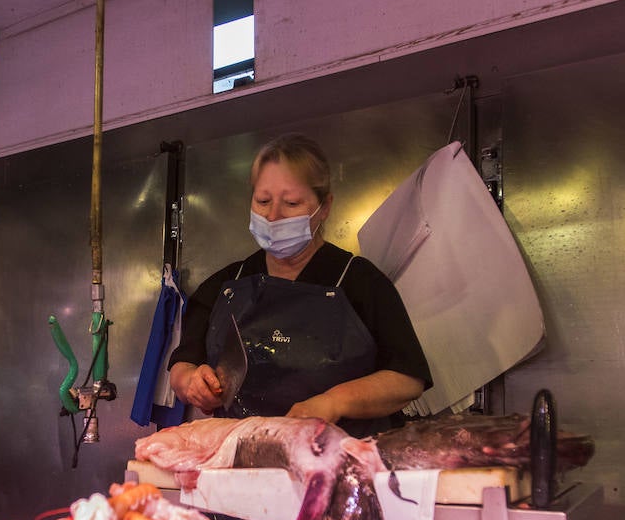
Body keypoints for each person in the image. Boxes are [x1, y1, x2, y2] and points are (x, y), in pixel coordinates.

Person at [167, 133, 431, 437]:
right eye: (263, 201)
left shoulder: (360, 281)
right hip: (247, 465)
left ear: (325, 206)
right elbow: (181, 367)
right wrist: (191, 382)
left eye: (291, 202)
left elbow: (407, 378)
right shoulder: (225, 285)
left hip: (346, 465)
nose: (274, 215)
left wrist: (334, 402)